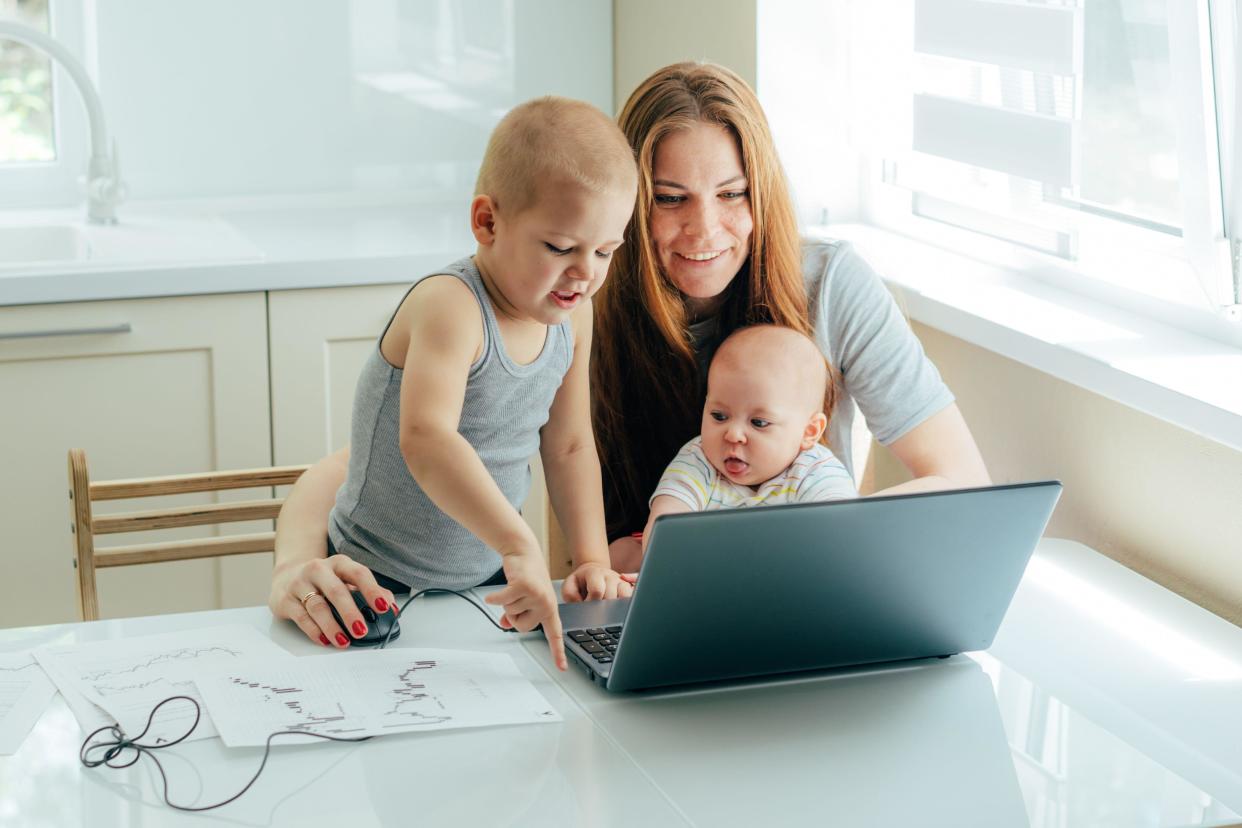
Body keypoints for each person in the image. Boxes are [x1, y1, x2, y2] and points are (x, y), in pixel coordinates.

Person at [272, 61, 989, 622]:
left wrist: (810, 540)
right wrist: (295, 566)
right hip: (637, 622)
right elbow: (378, 453)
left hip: (811, 607)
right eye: (670, 199)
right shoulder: (574, 297)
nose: (706, 230)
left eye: (733, 193)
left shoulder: (831, 283)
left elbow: (962, 483)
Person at [269, 96, 638, 671]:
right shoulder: (452, 304)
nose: (586, 272)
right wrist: (521, 543)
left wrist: (591, 558)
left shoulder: (572, 314)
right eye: (561, 248)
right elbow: (427, 439)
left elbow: (568, 444)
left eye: (606, 251)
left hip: (483, 573)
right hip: (374, 572)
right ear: (488, 222)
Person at [640, 324, 856, 556]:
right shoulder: (698, 459)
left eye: (758, 423)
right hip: (706, 577)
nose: (732, 434)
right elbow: (664, 533)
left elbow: (839, 535)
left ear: (809, 431)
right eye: (719, 416)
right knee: (623, 552)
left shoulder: (817, 470)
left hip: (790, 581)